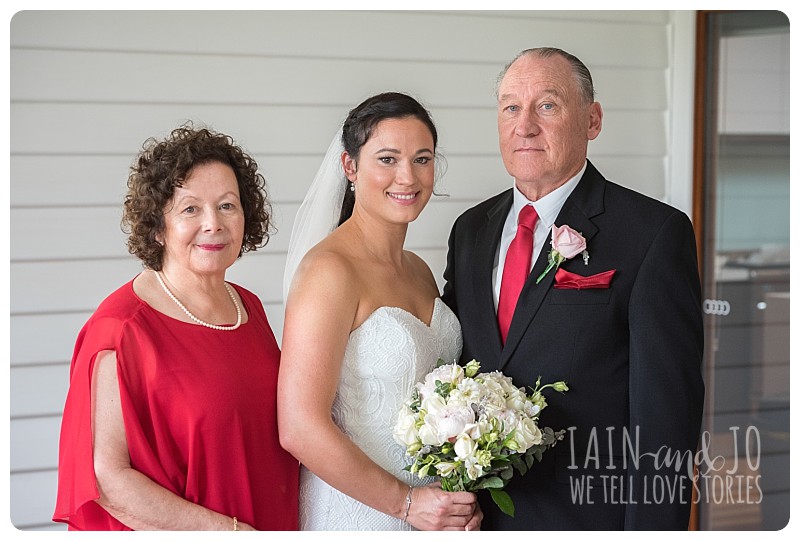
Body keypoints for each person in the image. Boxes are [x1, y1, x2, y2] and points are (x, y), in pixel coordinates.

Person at [441, 48, 704, 530]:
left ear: (592, 119)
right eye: (510, 107)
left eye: (547, 105)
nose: (524, 126)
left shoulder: (652, 233)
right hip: (475, 521)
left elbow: (668, 415)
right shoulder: (470, 230)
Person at [52, 124, 298, 530]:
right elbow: (106, 479)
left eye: (227, 205)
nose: (213, 223)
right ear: (156, 225)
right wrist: (227, 533)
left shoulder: (247, 307)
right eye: (190, 209)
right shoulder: (120, 328)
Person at [278, 92, 482, 531]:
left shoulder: (420, 271)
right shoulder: (329, 271)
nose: (407, 176)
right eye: (387, 159)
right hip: (362, 514)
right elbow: (298, 425)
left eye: (422, 159)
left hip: (433, 514)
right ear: (350, 167)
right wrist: (405, 504)